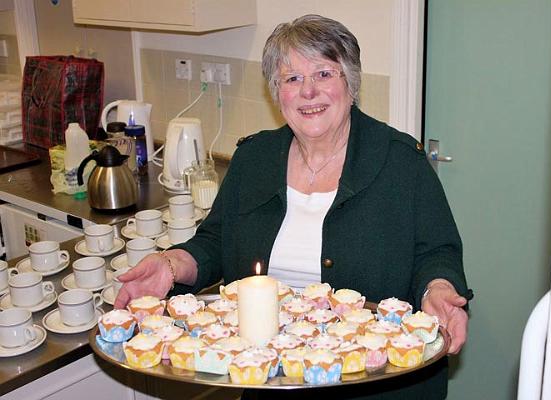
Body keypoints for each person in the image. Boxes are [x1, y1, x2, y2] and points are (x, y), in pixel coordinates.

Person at [115, 14, 472, 400]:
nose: (308, 92)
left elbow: (437, 250)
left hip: (374, 387)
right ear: (276, 92)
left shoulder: (400, 161)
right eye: (292, 79)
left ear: (350, 83)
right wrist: (170, 265)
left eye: (323, 74)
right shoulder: (254, 159)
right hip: (271, 378)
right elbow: (216, 241)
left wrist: (438, 287)